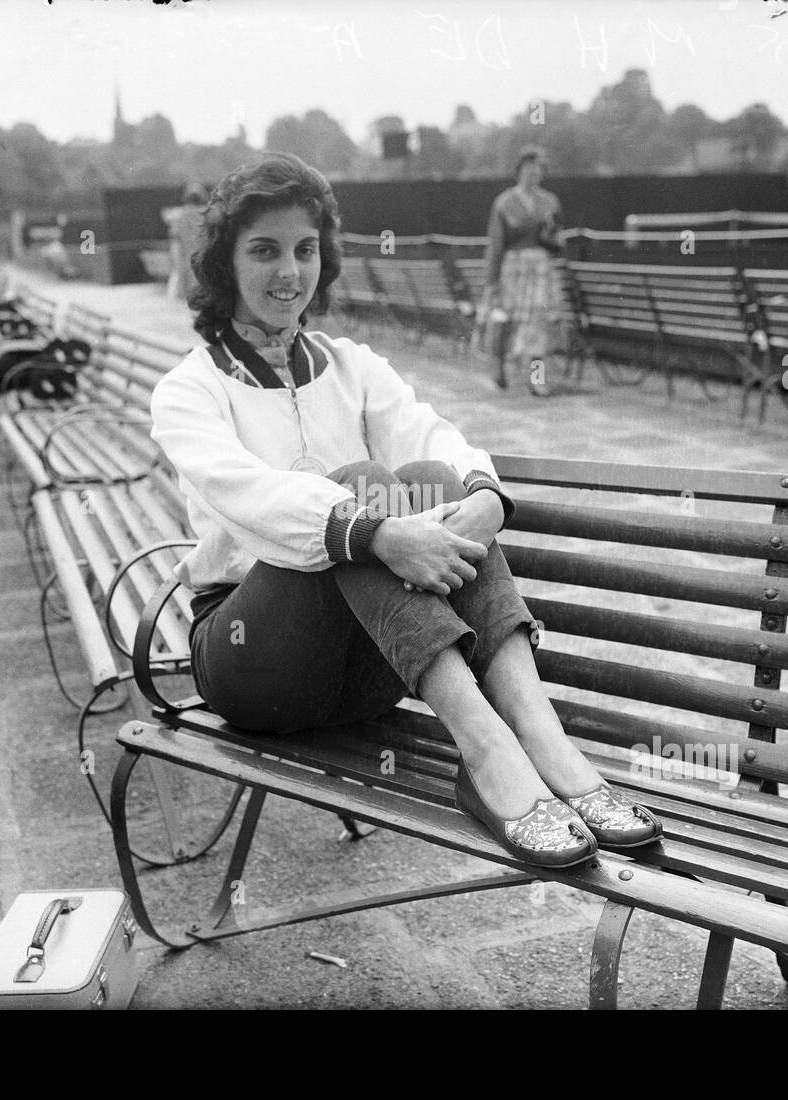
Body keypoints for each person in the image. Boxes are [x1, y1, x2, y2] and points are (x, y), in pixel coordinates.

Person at [149, 152, 661, 867]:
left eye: (305, 249)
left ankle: (538, 732)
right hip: (256, 662)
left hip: (372, 666)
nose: (289, 272)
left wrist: (482, 497)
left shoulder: (352, 364)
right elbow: (251, 498)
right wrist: (377, 532)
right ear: (223, 265)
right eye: (264, 250)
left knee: (423, 473)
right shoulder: (190, 390)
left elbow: (435, 440)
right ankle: (487, 753)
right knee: (362, 485)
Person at [480, 145, 567, 396]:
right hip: (513, 272)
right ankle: (499, 370)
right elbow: (496, 244)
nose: (533, 175)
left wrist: (552, 237)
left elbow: (558, 239)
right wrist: (492, 280)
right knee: (506, 322)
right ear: (518, 171)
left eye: (538, 170)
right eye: (528, 170)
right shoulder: (505, 202)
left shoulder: (550, 202)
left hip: (541, 272)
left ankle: (536, 379)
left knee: (538, 327)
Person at [166, 185, 208, 302]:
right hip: (203, 255)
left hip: (186, 256)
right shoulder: (207, 214)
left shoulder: (179, 216)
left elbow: (175, 239)